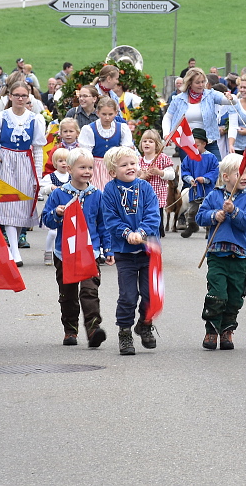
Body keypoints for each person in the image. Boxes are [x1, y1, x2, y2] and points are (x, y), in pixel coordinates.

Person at [41, 148, 109, 348]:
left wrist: (108, 250)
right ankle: (70, 330)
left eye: (90, 167)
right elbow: (46, 220)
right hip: (65, 253)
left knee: (89, 292)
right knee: (68, 294)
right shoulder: (59, 194)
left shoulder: (97, 195)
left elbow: (103, 224)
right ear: (69, 169)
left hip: (90, 252)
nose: (87, 171)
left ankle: (93, 329)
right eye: (82, 167)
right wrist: (57, 213)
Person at [100, 145, 161, 355]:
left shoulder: (145, 188)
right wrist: (127, 233)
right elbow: (110, 219)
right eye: (124, 165)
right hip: (124, 253)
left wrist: (142, 233)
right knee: (128, 295)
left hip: (147, 251)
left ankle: (145, 324)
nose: (130, 167)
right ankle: (124, 332)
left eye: (133, 163)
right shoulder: (109, 191)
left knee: (149, 295)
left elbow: (153, 215)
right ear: (112, 171)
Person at [196, 152, 246, 350]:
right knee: (217, 294)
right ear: (226, 177)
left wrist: (234, 212)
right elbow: (200, 217)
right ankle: (211, 330)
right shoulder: (214, 195)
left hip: (239, 256)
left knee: (234, 297)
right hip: (217, 255)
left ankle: (227, 331)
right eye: (241, 173)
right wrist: (215, 215)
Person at [0, 80, 47, 265]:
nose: (20, 98)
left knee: (21, 208)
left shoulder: (35, 119)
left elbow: (38, 149)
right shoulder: (0, 117)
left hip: (26, 162)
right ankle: (15, 252)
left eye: (23, 95)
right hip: (5, 161)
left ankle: (13, 247)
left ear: (28, 97)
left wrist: (38, 176)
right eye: (16, 95)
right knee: (9, 204)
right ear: (9, 96)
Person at [162, 67, 236, 160]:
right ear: (189, 83)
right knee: (190, 173)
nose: (201, 85)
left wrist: (231, 97)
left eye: (203, 82)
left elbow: (232, 101)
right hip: (187, 143)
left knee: (218, 169)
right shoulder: (178, 99)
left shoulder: (211, 95)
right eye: (197, 83)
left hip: (209, 142)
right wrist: (166, 134)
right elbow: (168, 117)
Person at [79, 95, 133, 190]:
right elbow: (86, 154)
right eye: (104, 114)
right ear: (98, 113)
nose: (107, 118)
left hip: (115, 167)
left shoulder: (122, 128)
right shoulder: (90, 129)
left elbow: (126, 152)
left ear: (116, 113)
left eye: (110, 114)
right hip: (96, 168)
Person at [180, 128, 220, 239]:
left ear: (204, 144)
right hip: (195, 189)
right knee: (192, 209)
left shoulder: (211, 158)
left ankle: (209, 229)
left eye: (196, 145)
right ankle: (192, 225)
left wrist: (205, 178)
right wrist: (189, 179)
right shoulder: (189, 157)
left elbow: (214, 171)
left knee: (207, 209)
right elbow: (185, 170)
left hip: (207, 189)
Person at [138, 129, 174, 238]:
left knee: (156, 214)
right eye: (144, 141)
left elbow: (171, 174)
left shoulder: (162, 158)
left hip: (157, 194)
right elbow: (134, 177)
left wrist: (160, 172)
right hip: (142, 195)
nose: (147, 143)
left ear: (157, 144)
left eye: (150, 141)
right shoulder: (138, 160)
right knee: (143, 214)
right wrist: (142, 177)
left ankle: (158, 230)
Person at [38, 147, 72, 266]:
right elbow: (41, 190)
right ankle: (48, 251)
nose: (64, 163)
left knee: (66, 232)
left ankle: (66, 253)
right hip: (53, 209)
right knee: (53, 232)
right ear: (55, 163)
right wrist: (50, 188)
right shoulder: (50, 177)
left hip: (69, 209)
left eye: (66, 161)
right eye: (60, 161)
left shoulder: (71, 177)